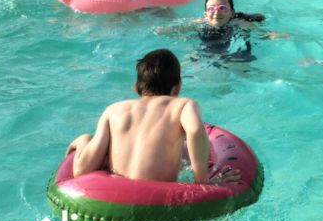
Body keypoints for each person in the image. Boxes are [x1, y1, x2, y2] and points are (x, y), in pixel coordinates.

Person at [63, 48, 239, 184]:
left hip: (113, 198)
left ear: (136, 88)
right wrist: (202, 182)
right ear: (178, 87)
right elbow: (195, 131)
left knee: (93, 141)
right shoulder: (183, 105)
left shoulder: (113, 110)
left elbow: (81, 171)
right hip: (156, 200)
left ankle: (83, 140)